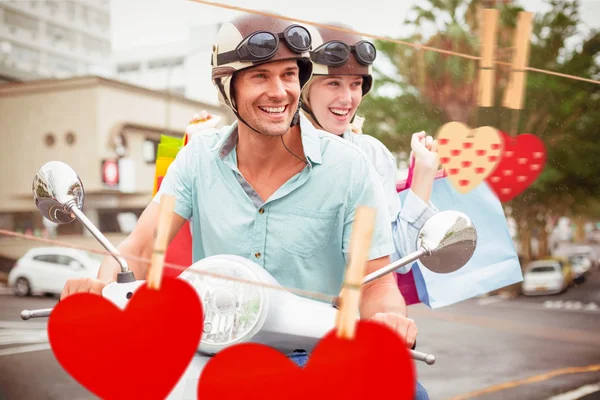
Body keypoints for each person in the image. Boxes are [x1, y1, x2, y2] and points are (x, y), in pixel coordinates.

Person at [60, 14, 419, 355]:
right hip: (208, 350)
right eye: (260, 76)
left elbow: (376, 283)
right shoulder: (198, 157)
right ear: (226, 86)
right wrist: (102, 288)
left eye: (289, 75)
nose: (279, 92)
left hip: (310, 356)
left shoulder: (352, 169)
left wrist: (390, 320)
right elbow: (139, 246)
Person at [300, 23, 440, 267]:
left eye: (355, 84)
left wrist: (423, 176)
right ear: (304, 90)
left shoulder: (371, 154)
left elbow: (398, 259)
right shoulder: (277, 149)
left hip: (352, 303)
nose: (347, 99)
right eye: (333, 83)